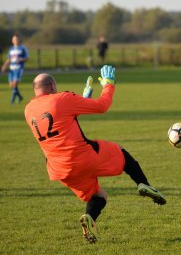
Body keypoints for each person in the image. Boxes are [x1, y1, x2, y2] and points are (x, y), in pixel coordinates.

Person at [24, 65, 166, 244]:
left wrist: (82, 100)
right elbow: (102, 106)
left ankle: (89, 219)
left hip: (59, 169)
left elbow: (60, 122)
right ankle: (143, 184)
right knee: (121, 152)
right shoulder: (63, 98)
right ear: (52, 85)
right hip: (81, 156)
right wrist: (109, 84)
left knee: (98, 196)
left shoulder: (28, 110)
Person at [1, 34, 29, 105]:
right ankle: (20, 97)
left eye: (16, 39)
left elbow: (27, 58)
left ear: (19, 40)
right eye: (14, 39)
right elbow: (9, 59)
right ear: (12, 40)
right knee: (11, 85)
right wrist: (4, 66)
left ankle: (12, 101)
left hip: (19, 69)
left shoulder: (23, 48)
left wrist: (20, 59)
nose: (15, 41)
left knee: (14, 84)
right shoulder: (11, 49)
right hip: (11, 69)